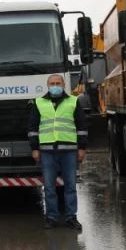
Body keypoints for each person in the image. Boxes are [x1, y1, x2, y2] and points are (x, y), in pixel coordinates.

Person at [29, 74, 88, 230]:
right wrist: (34, 148)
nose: (55, 86)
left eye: (58, 83)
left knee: (70, 186)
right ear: (47, 86)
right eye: (52, 83)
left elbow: (81, 127)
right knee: (49, 188)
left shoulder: (73, 102)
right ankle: (52, 218)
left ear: (63, 85)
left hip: (69, 151)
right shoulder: (39, 102)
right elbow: (33, 128)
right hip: (47, 152)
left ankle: (71, 217)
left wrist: (81, 148)